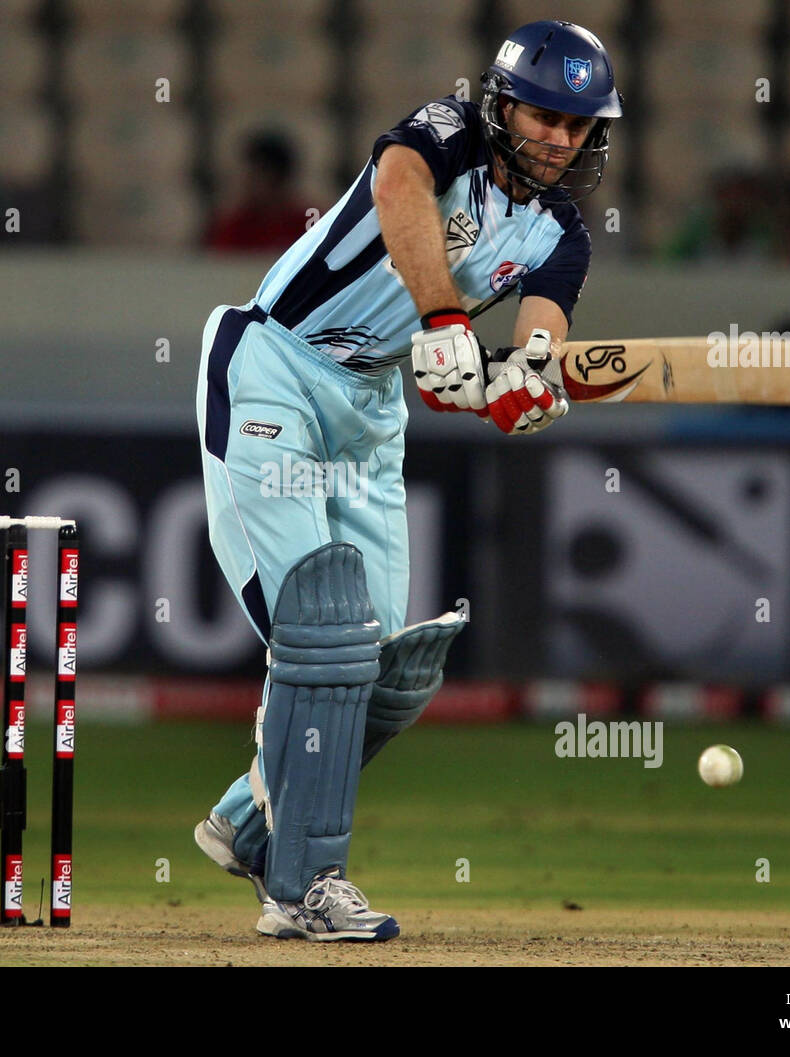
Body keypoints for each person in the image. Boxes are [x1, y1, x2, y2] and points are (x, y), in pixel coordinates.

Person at [193, 20, 621, 941]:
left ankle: (246, 817)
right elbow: (397, 186)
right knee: (325, 630)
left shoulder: (563, 237)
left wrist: (522, 384)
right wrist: (443, 317)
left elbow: (537, 341)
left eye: (579, 125)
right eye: (544, 114)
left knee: (388, 671)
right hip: (275, 360)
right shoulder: (448, 131)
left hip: (369, 406)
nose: (559, 137)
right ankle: (303, 887)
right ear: (503, 104)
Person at [203, 129, 318, 252]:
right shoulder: (233, 226)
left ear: (279, 177)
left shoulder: (310, 221)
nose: (247, 182)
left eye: (255, 175)